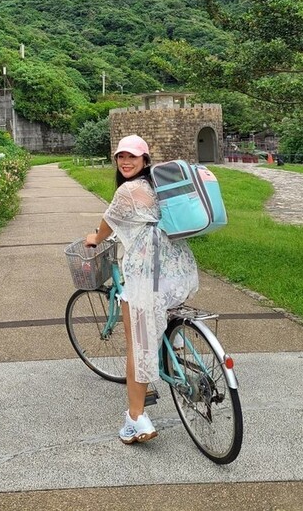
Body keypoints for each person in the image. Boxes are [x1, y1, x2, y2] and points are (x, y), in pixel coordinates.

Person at [85, 135, 199, 445]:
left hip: (148, 274)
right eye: (121, 156)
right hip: (178, 271)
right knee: (157, 316)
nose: (125, 162)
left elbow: (107, 224)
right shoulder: (157, 185)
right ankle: (173, 343)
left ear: (145, 160)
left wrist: (95, 238)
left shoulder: (127, 190)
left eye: (132, 157)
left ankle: (136, 419)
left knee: (137, 345)